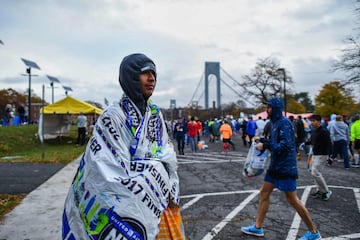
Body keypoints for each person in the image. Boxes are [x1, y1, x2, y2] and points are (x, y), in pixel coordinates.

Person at [62, 53, 184, 240]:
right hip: (133, 204)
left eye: (154, 74)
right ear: (130, 77)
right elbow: (106, 169)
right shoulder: (113, 116)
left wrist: (166, 183)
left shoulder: (155, 114)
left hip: (158, 206)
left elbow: (167, 154)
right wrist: (151, 173)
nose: (152, 78)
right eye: (145, 73)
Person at [241, 98, 321, 240]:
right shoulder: (274, 123)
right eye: (267, 107)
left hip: (285, 168)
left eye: (269, 108)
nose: (267, 110)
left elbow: (286, 146)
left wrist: (266, 145)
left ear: (276, 108)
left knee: (293, 200)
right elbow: (275, 143)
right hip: (275, 166)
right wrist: (262, 140)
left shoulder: (285, 123)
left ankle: (314, 232)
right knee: (264, 193)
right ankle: (258, 228)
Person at [307, 114, 332, 200]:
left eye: (314, 121)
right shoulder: (314, 131)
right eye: (311, 121)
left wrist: (330, 155)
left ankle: (325, 191)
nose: (312, 123)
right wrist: (304, 143)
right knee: (313, 172)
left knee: (315, 172)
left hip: (322, 154)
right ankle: (320, 190)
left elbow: (329, 143)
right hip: (315, 154)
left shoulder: (324, 131)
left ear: (319, 121)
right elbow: (311, 141)